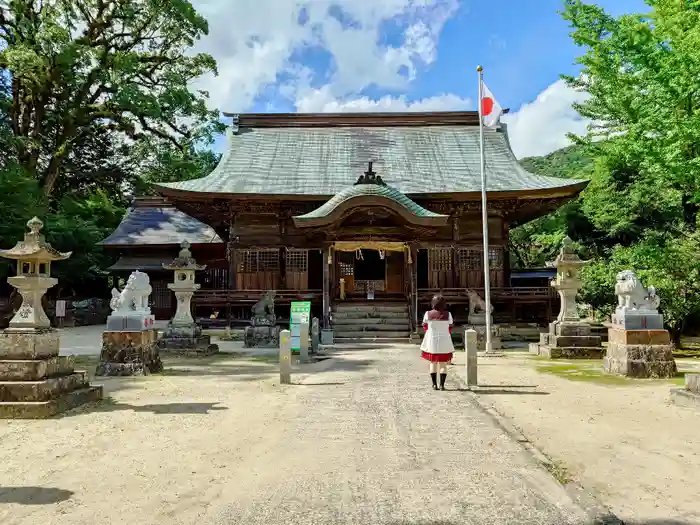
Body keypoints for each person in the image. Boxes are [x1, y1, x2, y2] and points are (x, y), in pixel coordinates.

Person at [420, 294, 454, 390]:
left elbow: (425, 326)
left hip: (432, 341)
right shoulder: (448, 314)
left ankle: (434, 385)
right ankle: (442, 385)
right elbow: (450, 327)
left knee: (433, 363)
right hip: (444, 341)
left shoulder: (428, 314)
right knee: (443, 364)